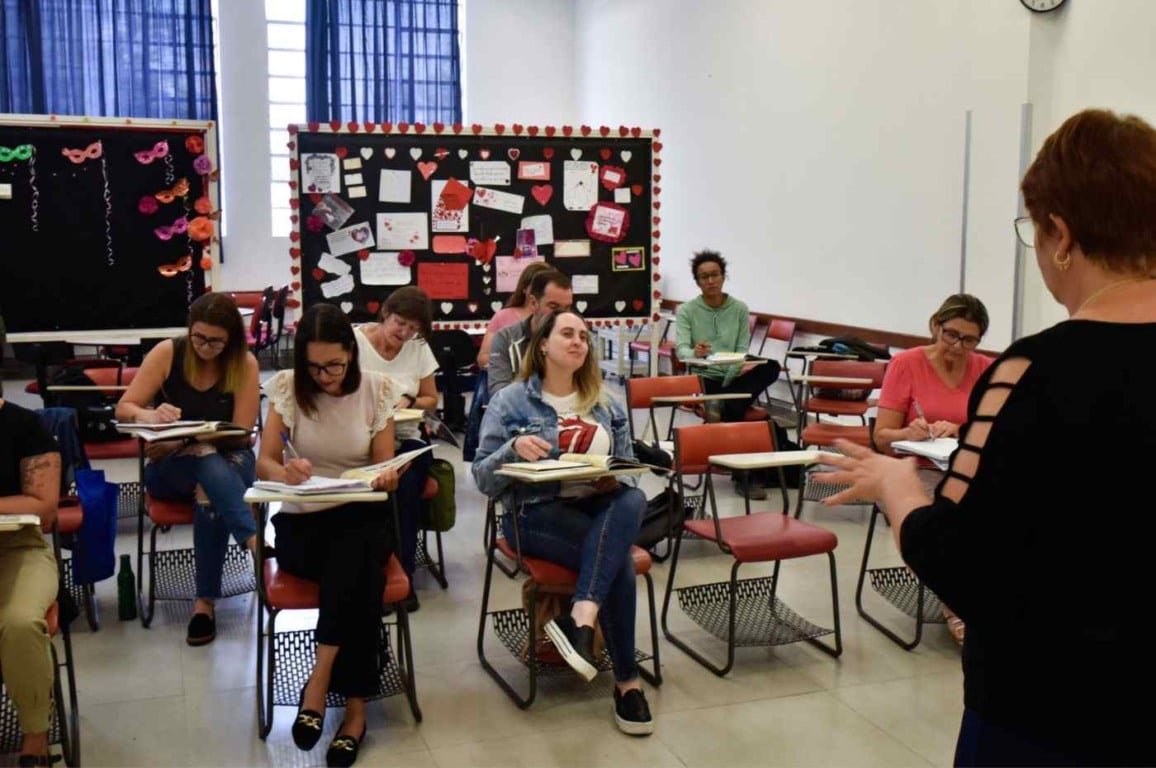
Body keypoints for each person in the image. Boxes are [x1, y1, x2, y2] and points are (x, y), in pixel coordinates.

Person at [822, 109, 1156, 766]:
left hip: (1050, 713)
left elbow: (964, 565)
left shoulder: (1033, 371)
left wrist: (898, 488)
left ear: (1060, 233)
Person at [472, 309, 654, 737]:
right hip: (535, 515)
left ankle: (581, 617)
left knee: (634, 496)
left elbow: (627, 467)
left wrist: (612, 475)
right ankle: (627, 681)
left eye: (584, 337)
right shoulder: (511, 400)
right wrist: (513, 447)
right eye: (567, 334)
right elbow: (482, 478)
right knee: (619, 564)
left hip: (598, 507)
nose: (578, 342)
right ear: (543, 346)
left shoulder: (604, 399)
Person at [257, 303, 404, 768]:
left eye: (335, 365)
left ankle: (319, 682)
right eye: (314, 366)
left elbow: (385, 466)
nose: (324, 376)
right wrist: (288, 471)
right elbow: (263, 463)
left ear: (351, 356)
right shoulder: (285, 389)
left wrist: (384, 478)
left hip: (360, 515)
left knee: (355, 558)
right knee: (359, 573)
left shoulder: (377, 391)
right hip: (303, 523)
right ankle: (355, 712)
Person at [116, 292, 260, 646]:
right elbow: (125, 408)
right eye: (198, 337)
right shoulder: (170, 352)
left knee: (208, 472)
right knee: (206, 463)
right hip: (169, 468)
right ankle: (250, 536)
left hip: (227, 459)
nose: (205, 347)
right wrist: (148, 414)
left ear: (232, 340)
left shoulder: (244, 363)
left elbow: (242, 434)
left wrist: (186, 441)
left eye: (215, 341)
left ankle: (203, 605)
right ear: (189, 330)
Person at [872, 294, 994, 644]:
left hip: (965, 465)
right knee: (940, 519)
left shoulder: (985, 368)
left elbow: (996, 427)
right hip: (912, 469)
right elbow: (882, 438)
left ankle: (988, 598)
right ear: (935, 326)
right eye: (951, 335)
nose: (958, 346)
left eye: (969, 340)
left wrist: (961, 429)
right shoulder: (906, 364)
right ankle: (959, 608)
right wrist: (908, 432)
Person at [353, 287, 437, 610]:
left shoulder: (417, 347)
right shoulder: (356, 341)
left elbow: (432, 398)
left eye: (413, 328)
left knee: (406, 486)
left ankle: (403, 573)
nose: (404, 333)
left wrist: (411, 400)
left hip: (408, 435)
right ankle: (373, 566)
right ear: (386, 313)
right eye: (400, 323)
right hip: (363, 436)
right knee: (375, 487)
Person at [675, 250, 781, 498]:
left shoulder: (740, 309)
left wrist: (730, 377)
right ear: (697, 281)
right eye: (704, 277)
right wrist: (696, 352)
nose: (710, 281)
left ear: (723, 277)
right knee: (736, 404)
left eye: (714, 275)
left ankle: (724, 403)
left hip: (733, 374)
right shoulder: (688, 311)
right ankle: (743, 476)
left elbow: (742, 350)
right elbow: (682, 351)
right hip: (704, 377)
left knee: (771, 365)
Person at [0, 399, 61, 767]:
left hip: (17, 547)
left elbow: (44, 506)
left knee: (20, 622)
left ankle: (35, 737)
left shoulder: (25, 426)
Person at [486, 268, 573, 396]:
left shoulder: (578, 340)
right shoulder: (506, 338)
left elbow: (590, 388)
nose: (561, 315)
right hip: (521, 414)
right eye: (553, 307)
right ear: (533, 303)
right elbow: (499, 393)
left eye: (567, 308)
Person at [476, 260, 552, 367]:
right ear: (524, 288)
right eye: (536, 287)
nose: (541, 291)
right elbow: (483, 358)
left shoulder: (556, 317)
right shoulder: (503, 317)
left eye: (545, 287)